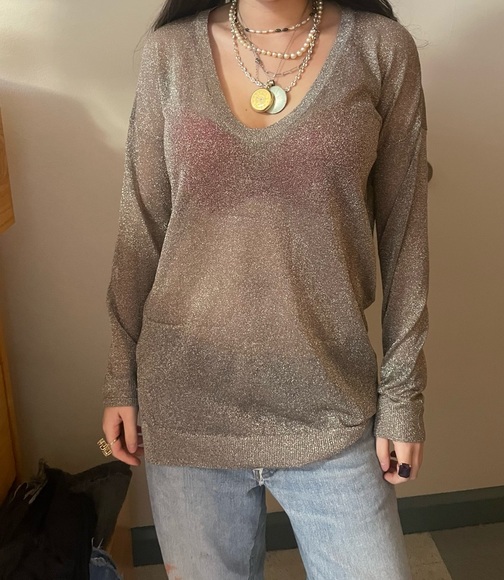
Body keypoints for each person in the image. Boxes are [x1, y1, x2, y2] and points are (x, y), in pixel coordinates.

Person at [99, 0, 429, 577]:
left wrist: (403, 396)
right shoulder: (168, 54)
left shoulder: (381, 49)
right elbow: (139, 232)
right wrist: (118, 376)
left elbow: (406, 239)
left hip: (330, 402)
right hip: (188, 404)